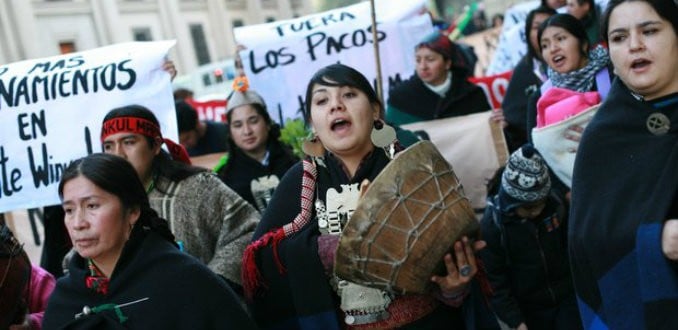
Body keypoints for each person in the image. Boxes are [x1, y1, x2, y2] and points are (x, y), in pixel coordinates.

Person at [242, 63, 495, 329]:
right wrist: (329, 249)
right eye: (321, 100)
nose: (336, 105)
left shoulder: (416, 166)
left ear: (375, 110)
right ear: (312, 123)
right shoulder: (300, 181)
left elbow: (455, 253)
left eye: (349, 95)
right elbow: (260, 267)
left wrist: (454, 287)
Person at [42, 153, 256, 329]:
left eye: (92, 206)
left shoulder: (186, 282)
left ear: (133, 211)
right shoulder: (65, 299)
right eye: (69, 210)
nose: (78, 223)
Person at [569, 0, 678, 328]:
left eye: (649, 30)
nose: (635, 45)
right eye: (618, 37)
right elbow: (584, 248)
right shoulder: (603, 138)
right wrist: (655, 239)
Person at [100, 105, 259, 291]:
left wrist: (212, 284)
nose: (118, 154)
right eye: (109, 146)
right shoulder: (102, 203)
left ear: (156, 145)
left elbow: (249, 230)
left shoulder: (197, 187)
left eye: (129, 142)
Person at [479, 145, 580, 330]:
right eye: (527, 208)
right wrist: (515, 321)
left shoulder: (556, 206)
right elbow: (496, 281)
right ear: (510, 200)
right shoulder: (493, 227)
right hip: (530, 310)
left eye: (539, 205)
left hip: (568, 298)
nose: (535, 212)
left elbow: (572, 249)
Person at [215, 83, 298, 212]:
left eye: (253, 121)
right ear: (230, 132)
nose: (247, 131)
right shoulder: (226, 176)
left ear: (267, 123)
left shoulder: (295, 158)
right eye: (238, 125)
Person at [386, 30, 491, 125]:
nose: (423, 67)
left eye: (430, 59)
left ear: (447, 63)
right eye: (418, 60)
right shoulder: (400, 98)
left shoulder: (472, 95)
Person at [501, 5, 558, 152]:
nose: (542, 32)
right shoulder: (522, 70)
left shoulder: (575, 62)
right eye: (536, 27)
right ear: (527, 33)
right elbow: (514, 119)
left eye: (549, 24)